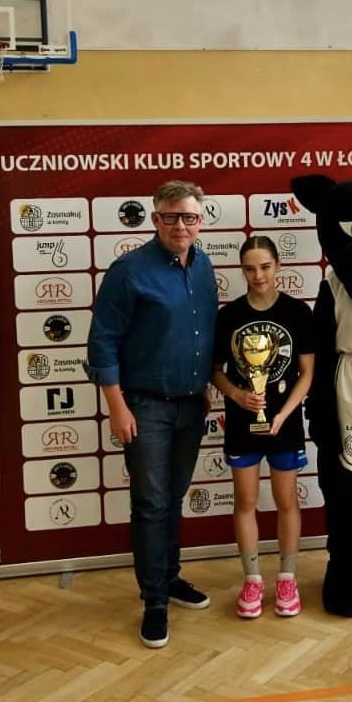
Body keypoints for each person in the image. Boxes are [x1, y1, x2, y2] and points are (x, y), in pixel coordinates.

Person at [85, 180, 218, 648]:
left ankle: (170, 577)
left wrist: (204, 386)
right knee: (151, 503)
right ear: (155, 218)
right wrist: (116, 406)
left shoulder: (203, 265)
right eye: (171, 217)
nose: (181, 226)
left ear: (200, 221)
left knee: (172, 498)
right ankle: (154, 601)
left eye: (189, 217)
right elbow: (102, 343)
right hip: (144, 407)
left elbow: (201, 333)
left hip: (191, 404)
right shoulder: (128, 272)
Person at [212, 235, 314, 618]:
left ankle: (287, 577)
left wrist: (284, 413)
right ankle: (252, 579)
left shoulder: (298, 312)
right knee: (245, 502)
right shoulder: (229, 316)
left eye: (265, 267)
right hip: (242, 425)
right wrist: (238, 396)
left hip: (285, 424)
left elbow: (307, 373)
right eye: (250, 268)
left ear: (278, 266)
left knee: (287, 501)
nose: (258, 275)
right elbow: (215, 372)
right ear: (242, 270)